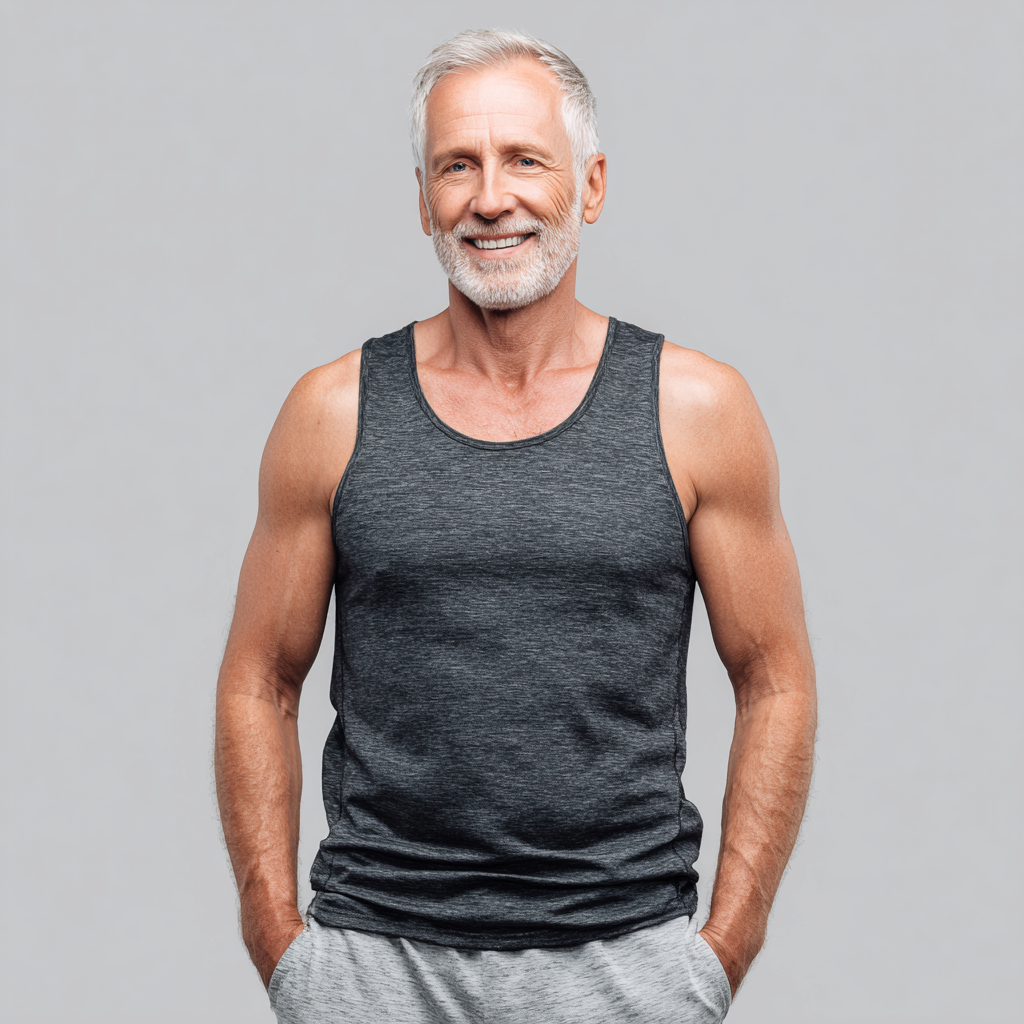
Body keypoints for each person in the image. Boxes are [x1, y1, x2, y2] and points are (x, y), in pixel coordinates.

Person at [215, 28, 816, 1024]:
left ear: (590, 186)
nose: (490, 196)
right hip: (374, 967)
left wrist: (718, 952)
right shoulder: (331, 413)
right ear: (422, 200)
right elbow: (258, 680)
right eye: (458, 165)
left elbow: (776, 679)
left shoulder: (698, 411)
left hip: (625, 968)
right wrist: (280, 946)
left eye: (524, 159)